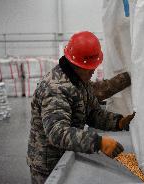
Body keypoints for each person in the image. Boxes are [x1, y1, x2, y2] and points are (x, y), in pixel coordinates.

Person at [27, 31, 135, 184]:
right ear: (76, 65)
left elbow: (92, 113)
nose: (93, 70)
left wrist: (119, 122)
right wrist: (98, 142)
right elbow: (57, 133)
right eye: (90, 67)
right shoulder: (55, 89)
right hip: (48, 165)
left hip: (66, 154)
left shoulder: (79, 81)